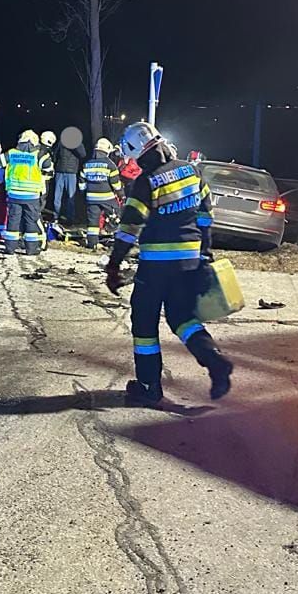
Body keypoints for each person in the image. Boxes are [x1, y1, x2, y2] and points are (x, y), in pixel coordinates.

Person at [104, 120, 233, 405]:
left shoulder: (146, 182)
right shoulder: (192, 172)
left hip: (156, 266)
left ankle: (149, 387)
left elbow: (129, 229)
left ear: (135, 150)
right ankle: (215, 361)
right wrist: (204, 256)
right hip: (188, 261)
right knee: (182, 318)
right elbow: (205, 217)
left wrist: (114, 265)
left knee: (144, 322)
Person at [2, 130, 48, 256]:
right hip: (31, 195)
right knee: (30, 221)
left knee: (13, 220)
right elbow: (48, 168)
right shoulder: (38, 155)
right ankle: (31, 249)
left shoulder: (12, 153)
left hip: (14, 193)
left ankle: (10, 248)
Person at [80, 137, 124, 250]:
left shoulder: (87, 164)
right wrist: (121, 195)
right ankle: (114, 237)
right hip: (107, 197)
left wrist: (85, 193)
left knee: (92, 222)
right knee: (116, 215)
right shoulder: (110, 165)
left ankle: (92, 243)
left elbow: (81, 183)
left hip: (91, 198)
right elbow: (116, 184)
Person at [49, 130, 87, 224]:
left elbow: (83, 154)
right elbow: (55, 154)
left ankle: (70, 218)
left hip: (71, 172)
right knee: (58, 196)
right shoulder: (62, 142)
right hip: (61, 171)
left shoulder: (77, 144)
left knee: (70, 196)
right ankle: (56, 216)